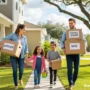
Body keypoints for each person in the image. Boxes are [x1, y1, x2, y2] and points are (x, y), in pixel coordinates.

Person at [0, 24, 29, 90]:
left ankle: (20, 79)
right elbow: (4, 39)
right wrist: (0, 44)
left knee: (21, 70)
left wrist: (26, 54)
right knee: (15, 70)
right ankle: (16, 85)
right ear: (20, 29)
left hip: (21, 56)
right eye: (24, 30)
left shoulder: (24, 37)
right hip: (13, 56)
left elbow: (26, 46)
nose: (25, 31)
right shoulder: (13, 35)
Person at [61, 18, 87, 90]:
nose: (70, 25)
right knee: (69, 69)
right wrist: (64, 48)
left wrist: (84, 47)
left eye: (71, 23)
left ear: (75, 23)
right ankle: (71, 83)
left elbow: (84, 40)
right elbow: (62, 41)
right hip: (69, 54)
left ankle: (74, 81)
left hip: (77, 54)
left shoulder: (79, 32)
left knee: (76, 69)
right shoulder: (66, 32)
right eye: (69, 23)